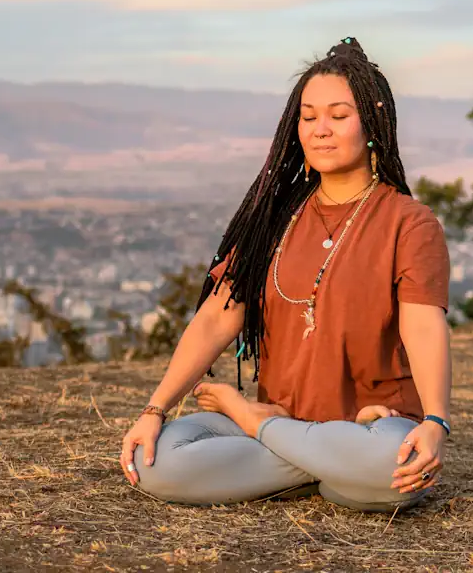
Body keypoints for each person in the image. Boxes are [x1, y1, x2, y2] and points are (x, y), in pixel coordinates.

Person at [118, 37, 452, 512]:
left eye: (339, 116)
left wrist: (435, 422)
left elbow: (423, 324)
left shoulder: (409, 222)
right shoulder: (271, 219)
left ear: (373, 124)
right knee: (154, 461)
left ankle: (261, 431)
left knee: (392, 464)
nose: (321, 130)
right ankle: (321, 463)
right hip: (290, 417)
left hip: (377, 424)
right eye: (308, 116)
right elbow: (217, 316)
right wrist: (154, 410)